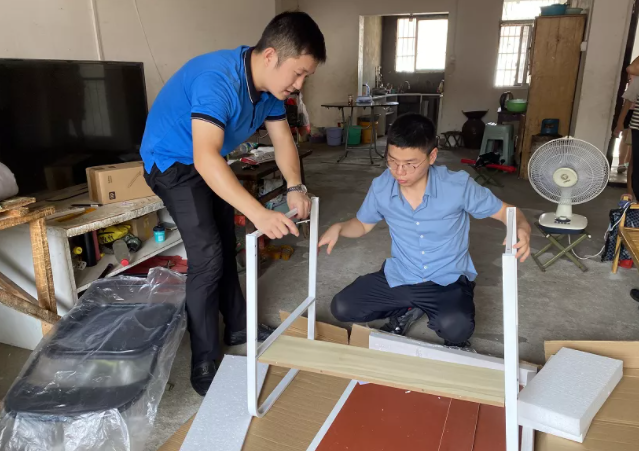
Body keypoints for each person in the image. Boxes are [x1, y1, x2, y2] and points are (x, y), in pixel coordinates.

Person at [140, 12, 326, 395]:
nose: (299, 84)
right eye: (298, 73)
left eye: (306, 76)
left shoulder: (271, 91)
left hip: (206, 160)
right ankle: (204, 358)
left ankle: (239, 326)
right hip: (171, 162)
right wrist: (258, 212)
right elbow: (205, 157)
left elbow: (283, 141)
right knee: (207, 255)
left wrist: (295, 185)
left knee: (226, 244)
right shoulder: (218, 80)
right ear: (271, 56)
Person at [318, 113, 531, 346]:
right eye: (392, 161)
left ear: (432, 156)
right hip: (402, 275)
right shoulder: (381, 186)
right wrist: (339, 227)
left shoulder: (457, 186)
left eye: (410, 164)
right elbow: (362, 224)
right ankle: (408, 308)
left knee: (456, 330)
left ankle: (422, 308)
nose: (399, 171)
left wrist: (521, 227)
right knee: (343, 308)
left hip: (447, 281)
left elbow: (506, 211)